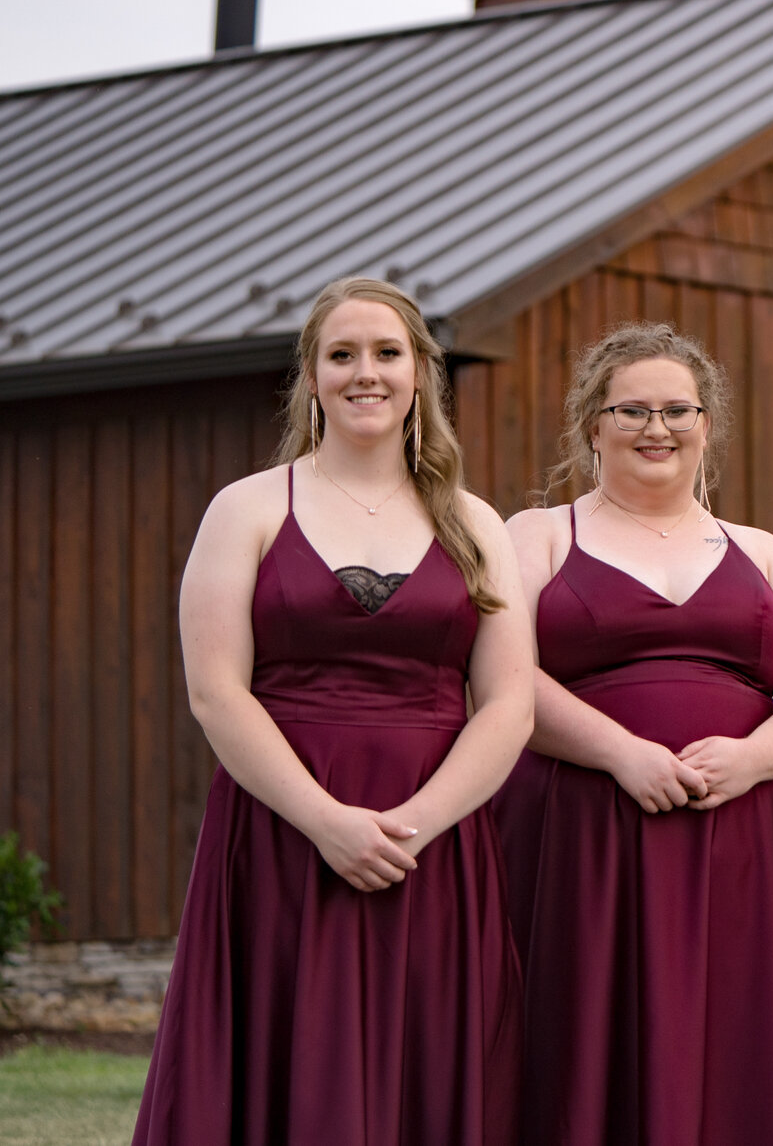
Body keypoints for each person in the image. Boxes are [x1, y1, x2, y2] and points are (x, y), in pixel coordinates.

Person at [133, 277, 532, 1146]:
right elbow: (216, 691)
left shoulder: (474, 523)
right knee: (289, 1059)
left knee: (423, 1063)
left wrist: (413, 827)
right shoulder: (246, 509)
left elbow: (507, 704)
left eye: (387, 353)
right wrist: (326, 823)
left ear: (420, 373)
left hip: (432, 839)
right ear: (310, 378)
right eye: (341, 354)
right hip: (281, 829)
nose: (366, 373)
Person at [492, 324, 773, 1146]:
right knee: (582, 1040)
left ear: (706, 424)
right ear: (593, 425)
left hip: (746, 833)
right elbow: (500, 677)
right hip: (581, 828)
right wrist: (620, 752)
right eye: (633, 410)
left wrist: (752, 757)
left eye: (677, 410)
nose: (657, 427)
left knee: (738, 1044)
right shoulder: (539, 535)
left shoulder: (760, 552)